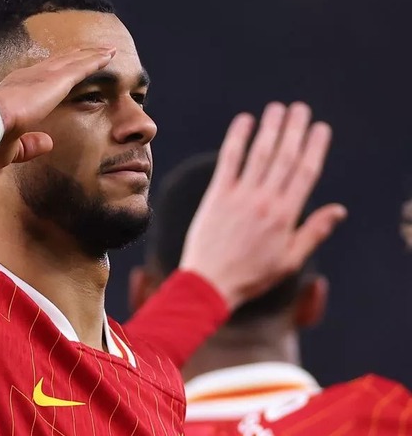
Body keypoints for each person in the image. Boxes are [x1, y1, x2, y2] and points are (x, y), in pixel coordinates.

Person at [0, 0, 345, 435]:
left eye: (139, 96)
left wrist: (206, 286)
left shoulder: (151, 377)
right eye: (90, 95)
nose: (142, 124)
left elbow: (74, 366)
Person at [130, 152, 412, 434]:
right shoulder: (383, 418)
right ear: (313, 300)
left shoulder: (101, 422)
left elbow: (93, 382)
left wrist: (196, 292)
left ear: (142, 295)